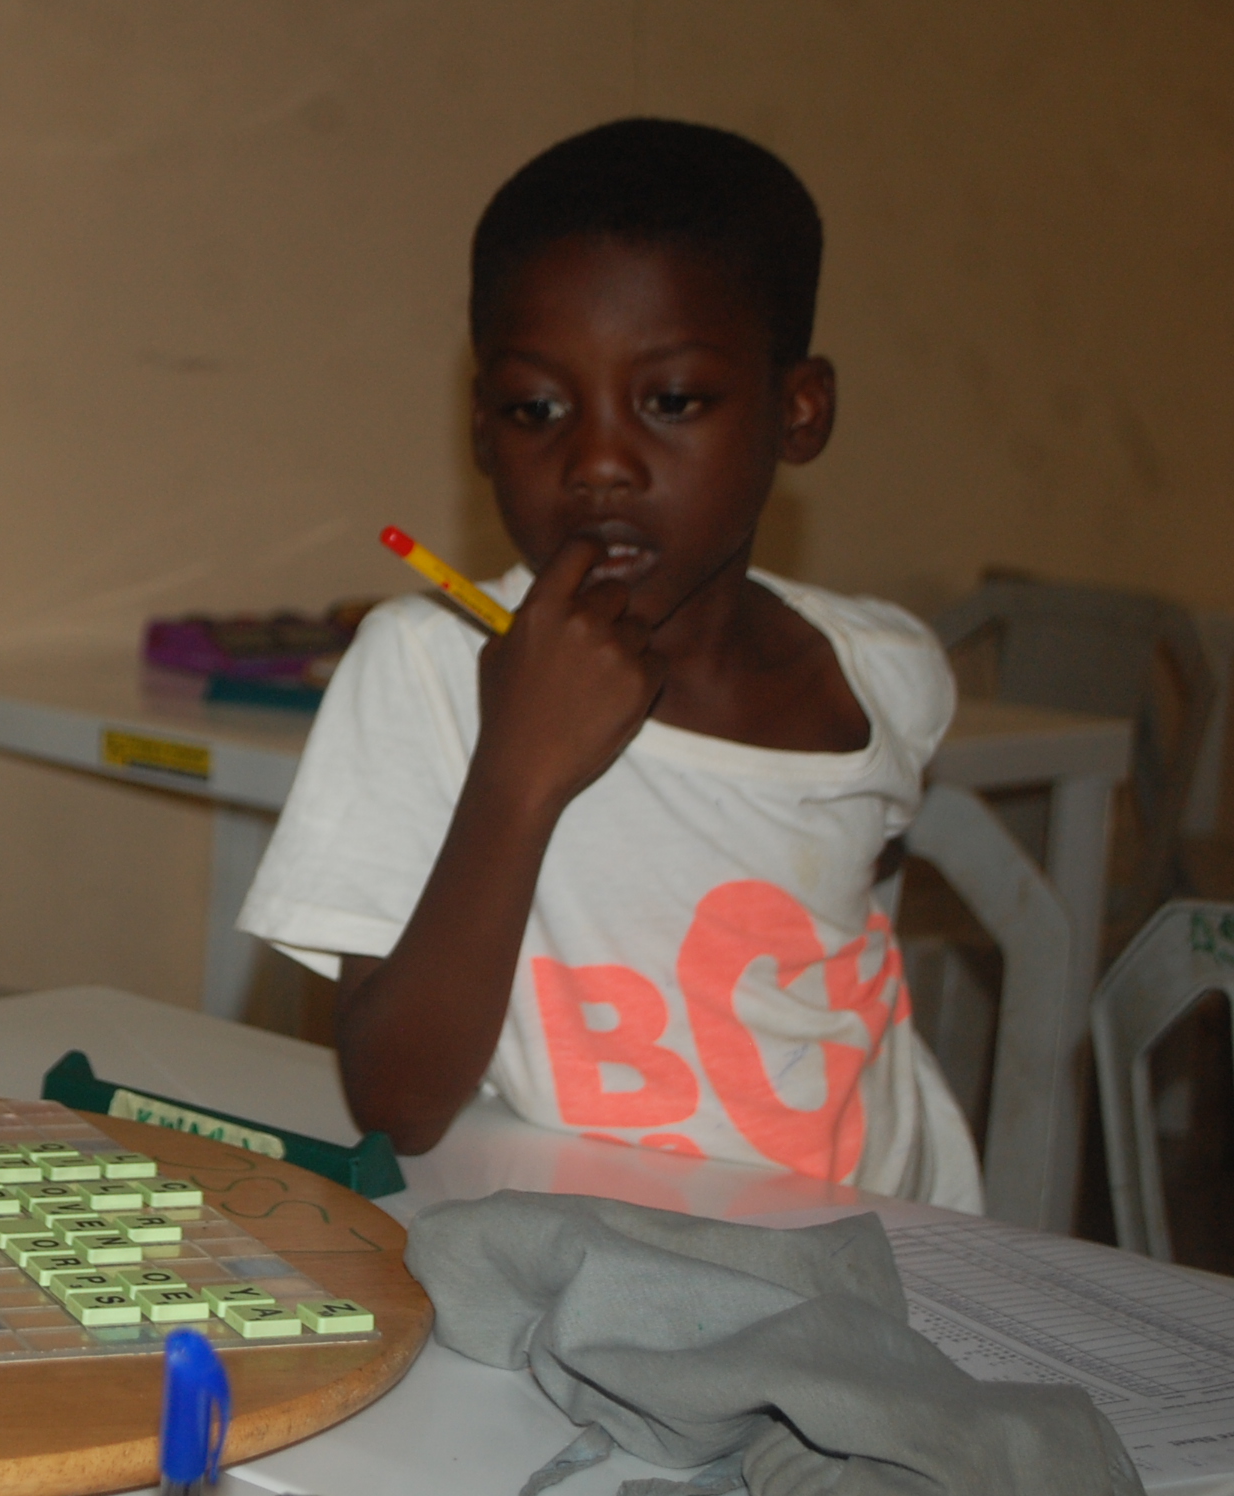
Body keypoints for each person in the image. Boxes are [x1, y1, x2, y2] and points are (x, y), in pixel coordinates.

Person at [237, 119, 981, 1210]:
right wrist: (520, 771)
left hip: (895, 1248)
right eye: (537, 408)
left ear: (799, 410)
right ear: (482, 431)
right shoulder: (426, 674)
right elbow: (397, 1097)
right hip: (601, 1270)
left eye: (671, 400)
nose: (594, 462)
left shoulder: (882, 673)